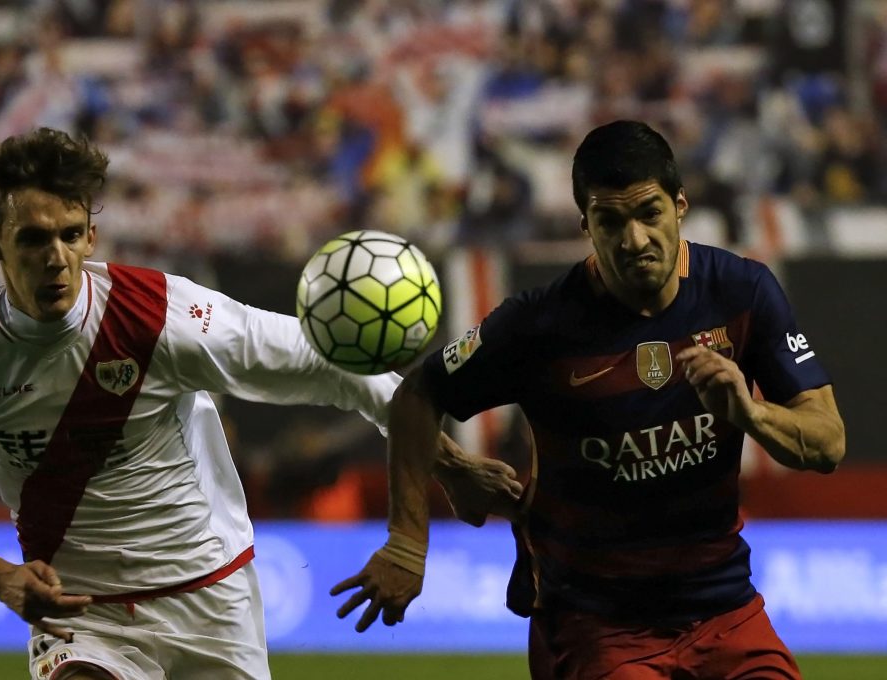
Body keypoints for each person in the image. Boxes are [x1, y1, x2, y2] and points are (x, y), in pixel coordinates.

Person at [0, 127, 522, 680]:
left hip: (210, 596)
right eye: (31, 239)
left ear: (91, 235)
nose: (55, 259)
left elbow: (331, 365)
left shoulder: (161, 316)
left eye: (71, 235)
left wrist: (446, 462)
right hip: (83, 611)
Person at [332, 120, 846, 679]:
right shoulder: (539, 325)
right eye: (610, 220)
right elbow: (418, 395)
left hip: (723, 608)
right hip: (595, 623)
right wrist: (414, 531)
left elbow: (827, 444)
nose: (634, 240)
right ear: (586, 226)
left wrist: (751, 414)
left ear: (680, 207)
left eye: (649, 213)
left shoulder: (742, 293)